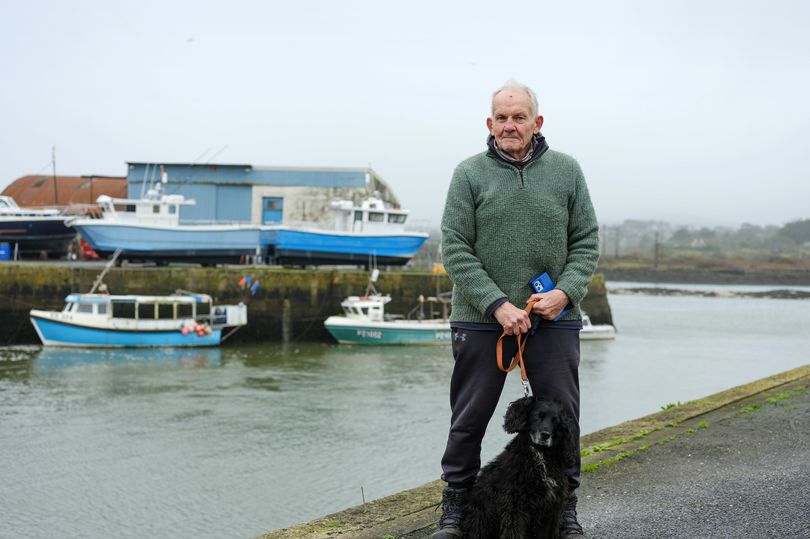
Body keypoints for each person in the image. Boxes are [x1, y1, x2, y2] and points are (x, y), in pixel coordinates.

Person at [432, 81, 600, 538]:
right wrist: (497, 304)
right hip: (481, 318)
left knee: (563, 418)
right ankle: (456, 507)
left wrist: (565, 292)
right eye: (502, 118)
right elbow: (456, 248)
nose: (510, 125)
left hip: (554, 318)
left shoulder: (567, 172)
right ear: (490, 124)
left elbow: (586, 241)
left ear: (536, 122)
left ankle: (563, 510)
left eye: (519, 117)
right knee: (469, 418)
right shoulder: (468, 174)